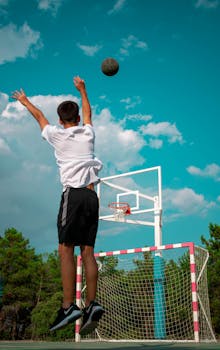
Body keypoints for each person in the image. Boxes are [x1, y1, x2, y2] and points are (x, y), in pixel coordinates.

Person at [12, 77, 105, 335]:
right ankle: (91, 304)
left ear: (61, 120)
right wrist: (83, 89)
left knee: (65, 249)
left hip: (73, 197)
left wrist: (24, 101)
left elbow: (39, 117)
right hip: (91, 197)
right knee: (87, 253)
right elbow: (88, 111)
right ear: (77, 118)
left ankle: (68, 307)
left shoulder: (56, 135)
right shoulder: (88, 133)